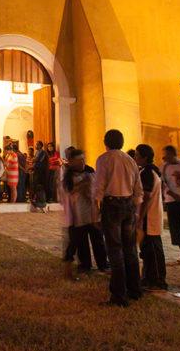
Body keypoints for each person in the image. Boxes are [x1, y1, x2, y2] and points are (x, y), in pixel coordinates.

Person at [94, 129, 142, 307]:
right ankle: (135, 289)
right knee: (129, 249)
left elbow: (99, 186)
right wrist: (135, 207)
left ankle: (119, 295)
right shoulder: (130, 160)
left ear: (105, 142)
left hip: (112, 205)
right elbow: (138, 187)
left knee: (115, 250)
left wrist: (96, 210)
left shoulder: (104, 159)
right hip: (128, 204)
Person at [62, 148, 108, 276]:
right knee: (82, 242)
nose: (82, 162)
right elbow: (68, 191)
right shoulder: (68, 175)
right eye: (79, 160)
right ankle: (85, 265)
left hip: (93, 211)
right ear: (72, 162)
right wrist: (83, 184)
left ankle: (102, 263)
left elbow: (97, 188)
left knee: (98, 240)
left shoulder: (90, 171)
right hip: (78, 213)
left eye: (83, 159)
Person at [135, 144, 167, 290]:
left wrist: (140, 217)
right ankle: (151, 277)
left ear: (144, 157)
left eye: (137, 155)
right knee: (151, 247)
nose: (135, 158)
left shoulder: (147, 173)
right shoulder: (151, 171)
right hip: (153, 214)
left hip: (149, 215)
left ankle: (155, 279)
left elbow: (146, 196)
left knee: (151, 249)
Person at [32, 141, 49, 211]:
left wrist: (34, 160)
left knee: (41, 186)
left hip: (42, 172)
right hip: (37, 171)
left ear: (40, 146)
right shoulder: (37, 152)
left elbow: (38, 160)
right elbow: (34, 160)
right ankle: (37, 200)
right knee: (36, 186)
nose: (36, 146)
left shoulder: (43, 153)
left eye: (37, 145)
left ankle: (43, 201)